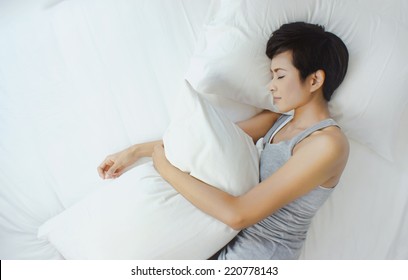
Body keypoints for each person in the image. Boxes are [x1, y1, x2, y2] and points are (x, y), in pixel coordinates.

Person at [97, 22, 349, 259]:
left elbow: (238, 214)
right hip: (220, 242)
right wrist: (136, 151)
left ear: (314, 80)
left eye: (280, 76)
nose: (271, 86)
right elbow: (205, 141)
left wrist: (164, 167)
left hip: (261, 254)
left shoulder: (327, 144)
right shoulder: (278, 121)